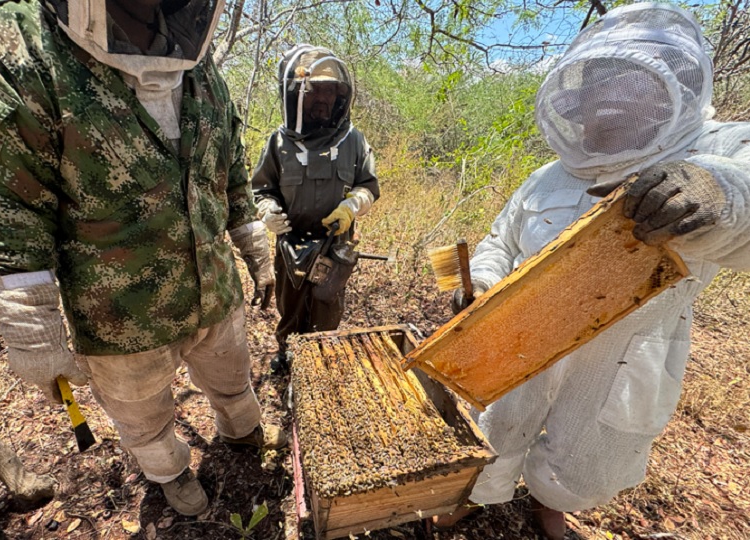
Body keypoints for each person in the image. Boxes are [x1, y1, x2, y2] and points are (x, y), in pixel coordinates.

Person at [0, 0, 287, 517]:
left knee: (233, 378)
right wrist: (32, 330)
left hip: (216, 287)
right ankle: (171, 473)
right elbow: (8, 200)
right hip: (119, 314)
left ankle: (243, 431)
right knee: (143, 416)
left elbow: (227, 167)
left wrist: (253, 249)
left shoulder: (198, 62)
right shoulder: (20, 45)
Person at [435, 4, 750, 538]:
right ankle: (481, 494)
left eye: (631, 92)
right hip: (519, 336)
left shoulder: (712, 149)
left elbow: (742, 186)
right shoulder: (545, 179)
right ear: (578, 107)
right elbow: (499, 240)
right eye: (601, 95)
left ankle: (547, 502)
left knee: (585, 454)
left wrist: (715, 191)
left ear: (664, 97)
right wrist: (482, 286)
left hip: (624, 351)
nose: (614, 106)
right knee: (499, 424)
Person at [251, 44, 379, 373]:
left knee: (327, 310)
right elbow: (261, 189)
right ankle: (287, 355)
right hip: (290, 245)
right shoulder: (277, 143)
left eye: (329, 91)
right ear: (295, 95)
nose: (323, 98)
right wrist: (268, 211)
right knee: (289, 310)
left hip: (334, 248)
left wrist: (353, 205)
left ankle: (319, 364)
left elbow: (370, 185)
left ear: (341, 97)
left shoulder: (354, 140)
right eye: (314, 91)